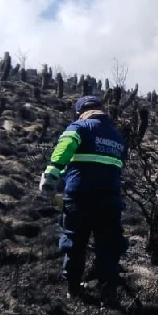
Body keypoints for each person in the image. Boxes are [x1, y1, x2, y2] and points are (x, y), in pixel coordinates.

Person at [39, 95, 128, 301]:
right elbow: (101, 164)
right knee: (108, 246)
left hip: (80, 197)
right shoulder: (117, 137)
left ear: (81, 112)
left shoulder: (79, 127)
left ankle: (73, 290)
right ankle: (108, 294)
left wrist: (52, 172)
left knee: (75, 243)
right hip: (110, 200)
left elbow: (65, 150)